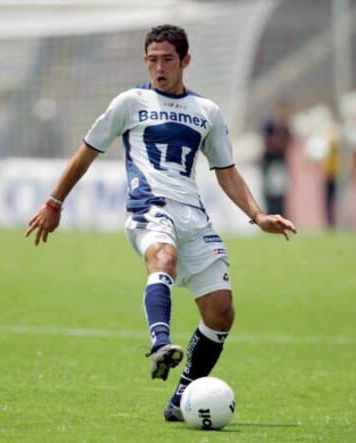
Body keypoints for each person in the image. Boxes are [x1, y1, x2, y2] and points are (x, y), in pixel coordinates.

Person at [26, 25, 296, 421]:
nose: (159, 67)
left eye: (167, 59)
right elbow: (86, 152)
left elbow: (227, 172)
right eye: (152, 59)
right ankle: (160, 342)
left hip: (194, 216)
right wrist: (54, 202)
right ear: (145, 61)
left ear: (185, 61)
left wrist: (257, 216)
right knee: (162, 256)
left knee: (221, 312)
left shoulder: (207, 112)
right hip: (148, 207)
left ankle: (182, 397)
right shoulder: (130, 102)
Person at [261, 101, 293, 216]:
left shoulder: (286, 127)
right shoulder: (270, 125)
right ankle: (271, 216)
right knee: (271, 193)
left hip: (280, 162)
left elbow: (287, 144)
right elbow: (270, 144)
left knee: (281, 193)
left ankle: (281, 216)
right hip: (270, 162)